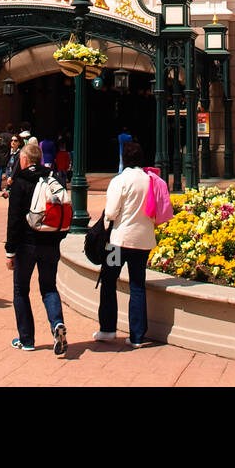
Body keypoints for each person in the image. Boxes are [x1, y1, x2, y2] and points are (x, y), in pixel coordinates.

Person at [4, 139, 67, 355]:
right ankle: (57, 323)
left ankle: (27, 339)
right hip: (50, 242)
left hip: (26, 244)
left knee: (21, 289)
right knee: (49, 287)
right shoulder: (53, 178)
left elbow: (13, 220)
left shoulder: (20, 182)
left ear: (24, 159)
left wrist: (10, 251)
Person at [95, 139, 153, 347]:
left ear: (124, 158)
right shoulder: (150, 181)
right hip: (143, 241)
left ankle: (107, 329)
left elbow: (111, 212)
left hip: (118, 242)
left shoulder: (119, 180)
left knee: (109, 280)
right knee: (137, 285)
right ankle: (137, 336)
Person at [0, 134, 22, 198]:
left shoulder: (20, 153)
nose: (13, 142)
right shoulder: (11, 153)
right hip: (10, 179)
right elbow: (8, 166)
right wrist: (8, 177)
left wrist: (11, 177)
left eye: (15, 140)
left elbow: (16, 167)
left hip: (16, 179)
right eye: (11, 140)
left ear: (19, 143)